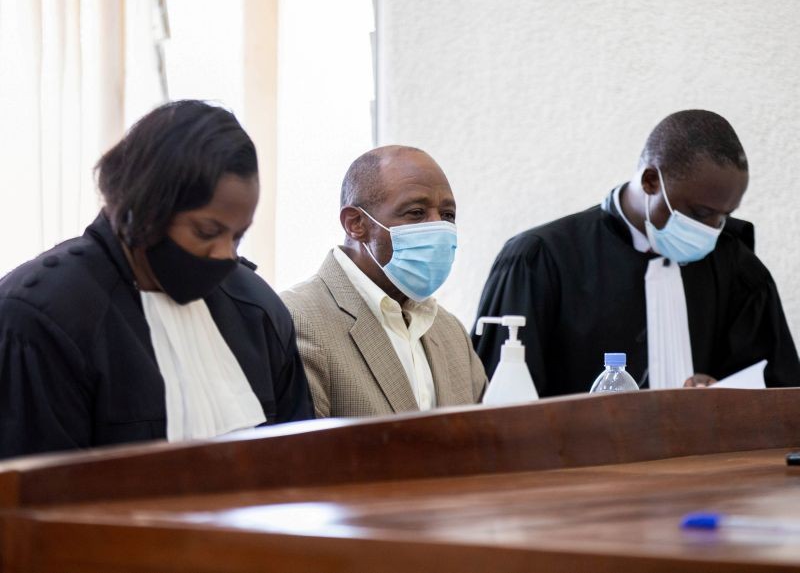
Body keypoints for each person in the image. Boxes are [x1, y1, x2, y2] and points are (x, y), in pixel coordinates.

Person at [0, 100, 314, 459]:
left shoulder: (257, 310)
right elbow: (35, 497)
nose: (225, 254)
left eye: (237, 236)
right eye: (207, 231)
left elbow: (296, 463)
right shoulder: (42, 318)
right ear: (146, 208)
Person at [473, 110, 800, 395]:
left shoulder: (737, 267)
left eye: (724, 215)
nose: (713, 229)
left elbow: (780, 391)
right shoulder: (540, 260)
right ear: (650, 182)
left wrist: (721, 396)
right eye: (700, 214)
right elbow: (499, 408)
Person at [281, 145, 486, 417]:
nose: (437, 226)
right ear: (356, 223)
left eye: (448, 215)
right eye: (416, 212)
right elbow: (304, 454)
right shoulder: (297, 320)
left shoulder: (450, 332)